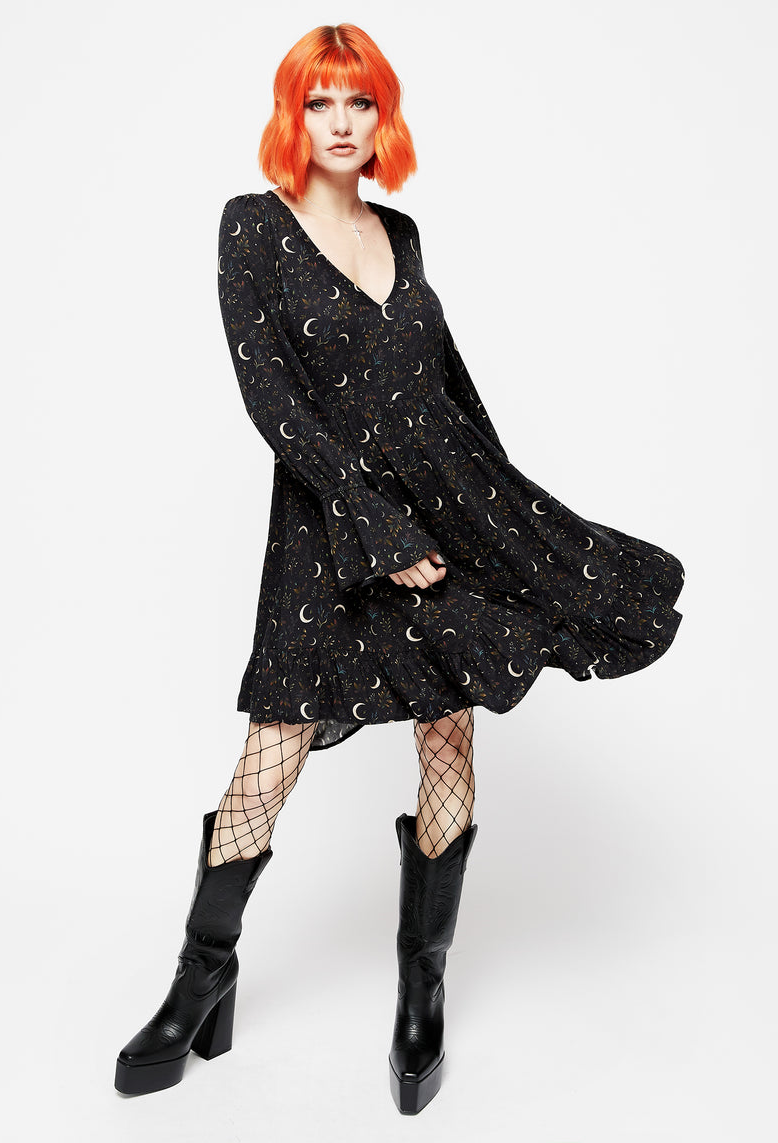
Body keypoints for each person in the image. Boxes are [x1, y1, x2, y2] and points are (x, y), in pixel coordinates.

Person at [114, 23, 685, 1115]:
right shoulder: (252, 226)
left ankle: (422, 987)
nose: (340, 122)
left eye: (359, 102)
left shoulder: (403, 234)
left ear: (383, 114)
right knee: (272, 751)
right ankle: (200, 978)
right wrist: (374, 525)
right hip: (326, 532)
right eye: (319, 102)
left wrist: (509, 525)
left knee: (446, 731)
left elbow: (446, 393)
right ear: (293, 114)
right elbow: (273, 401)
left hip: (442, 518)